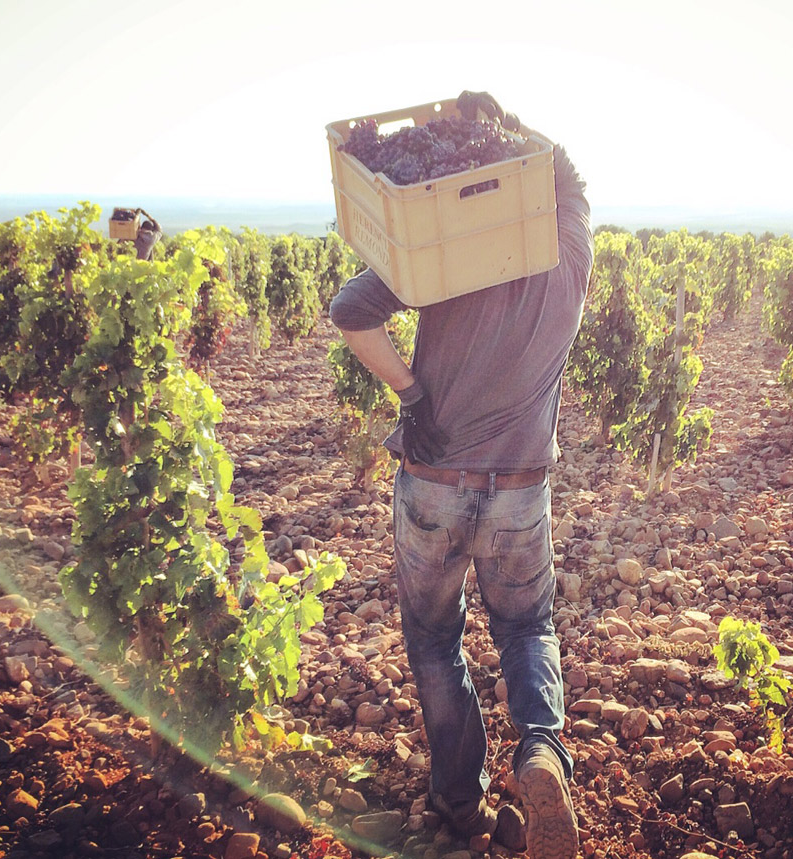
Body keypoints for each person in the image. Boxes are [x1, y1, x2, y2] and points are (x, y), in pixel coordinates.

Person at [329, 90, 593, 859]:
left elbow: (352, 311)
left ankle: (456, 796)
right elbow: (569, 176)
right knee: (526, 625)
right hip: (520, 488)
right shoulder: (572, 249)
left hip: (433, 482)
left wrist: (412, 393)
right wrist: (511, 124)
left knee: (434, 638)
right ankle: (540, 749)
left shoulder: (442, 256)